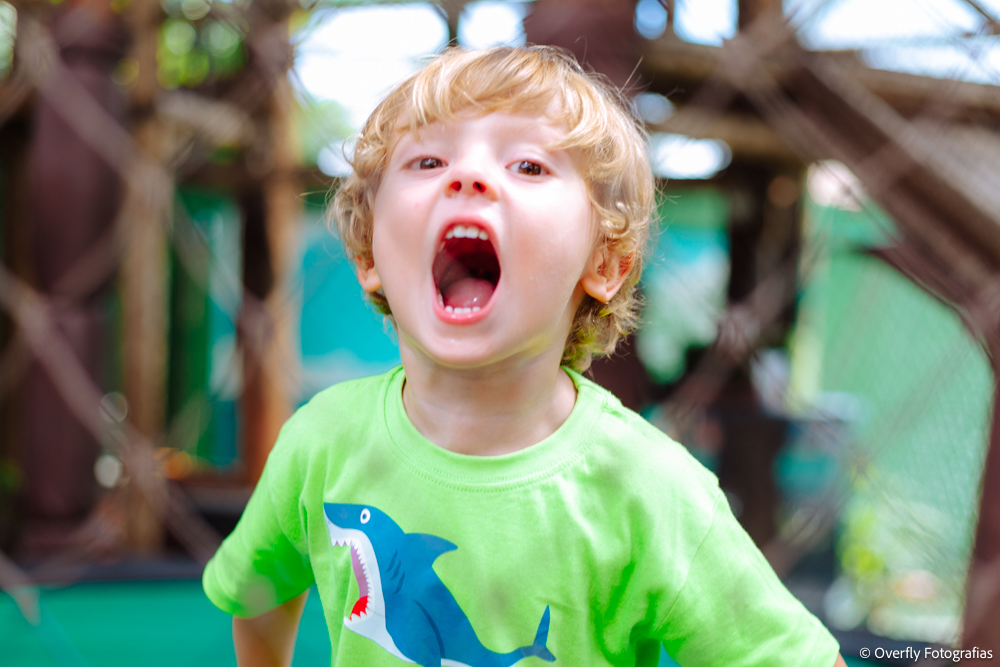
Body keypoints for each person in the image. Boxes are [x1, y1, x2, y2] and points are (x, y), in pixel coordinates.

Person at [202, 45, 848, 667]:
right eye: (428, 162)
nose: (469, 175)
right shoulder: (322, 440)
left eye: (529, 166)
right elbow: (259, 589)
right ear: (369, 254)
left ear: (604, 263)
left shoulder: (649, 489)